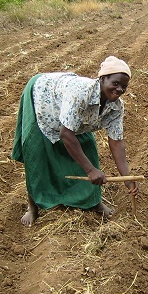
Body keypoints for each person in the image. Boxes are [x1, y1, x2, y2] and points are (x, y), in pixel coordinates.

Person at [11, 56, 138, 226]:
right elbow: (66, 135)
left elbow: (116, 142)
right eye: (115, 83)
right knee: (37, 156)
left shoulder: (116, 107)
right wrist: (91, 170)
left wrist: (127, 178)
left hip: (73, 123)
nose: (119, 89)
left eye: (124, 86)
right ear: (102, 78)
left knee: (88, 151)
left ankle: (94, 202)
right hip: (42, 99)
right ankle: (32, 207)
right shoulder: (80, 92)